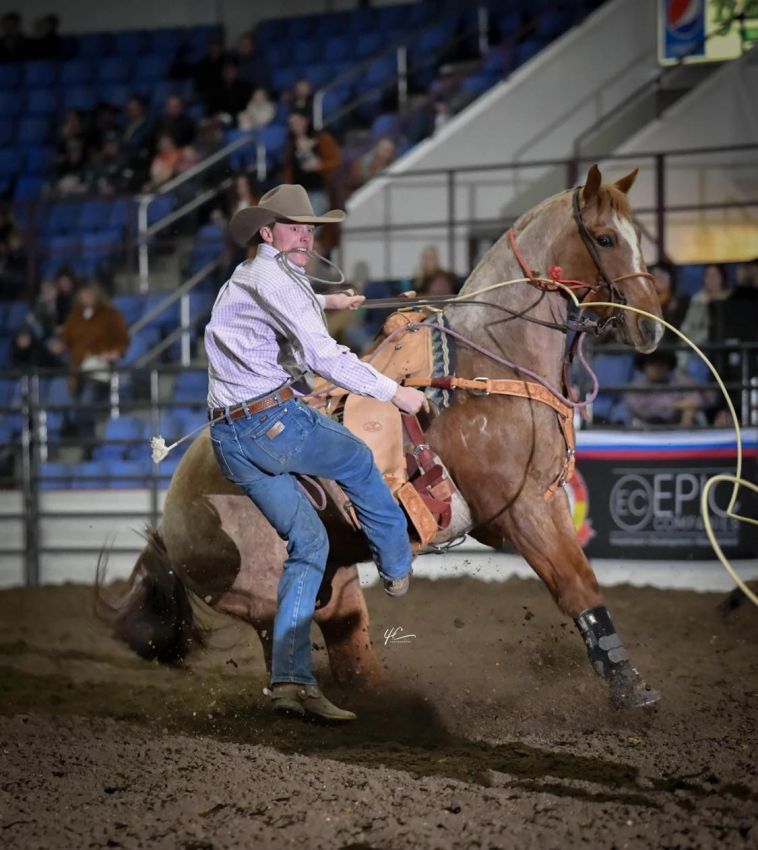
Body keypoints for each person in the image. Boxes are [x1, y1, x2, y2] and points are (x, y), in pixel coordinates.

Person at [205, 184, 426, 722]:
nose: (306, 234)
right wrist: (395, 393)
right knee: (354, 459)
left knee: (307, 543)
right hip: (271, 422)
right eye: (295, 226)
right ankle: (396, 563)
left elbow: (285, 304)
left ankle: (289, 681)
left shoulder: (254, 275)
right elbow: (322, 355)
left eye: (311, 228)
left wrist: (332, 301)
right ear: (268, 232)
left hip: (232, 439)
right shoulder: (276, 278)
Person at [61, 282, 129, 440]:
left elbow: (122, 339)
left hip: (99, 367)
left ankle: (90, 444)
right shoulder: (75, 317)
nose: (85, 298)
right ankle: (88, 441)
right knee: (77, 408)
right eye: (82, 294)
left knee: (86, 404)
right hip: (78, 368)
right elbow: (67, 340)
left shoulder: (110, 315)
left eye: (88, 294)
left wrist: (115, 353)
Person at [624, 351, 705, 428]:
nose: (657, 368)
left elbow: (696, 400)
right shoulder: (637, 386)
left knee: (690, 411)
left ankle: (686, 438)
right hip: (645, 429)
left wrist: (688, 408)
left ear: (668, 365)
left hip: (676, 428)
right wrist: (676, 405)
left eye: (661, 364)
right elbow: (644, 410)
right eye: (653, 364)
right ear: (644, 366)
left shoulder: (680, 380)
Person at [283, 112, 341, 216]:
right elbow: (289, 169)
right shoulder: (291, 144)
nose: (295, 126)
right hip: (298, 193)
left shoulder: (321, 139)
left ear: (306, 120)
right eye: (292, 123)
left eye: (298, 121)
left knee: (312, 223)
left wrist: (319, 166)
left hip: (318, 190)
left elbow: (335, 162)